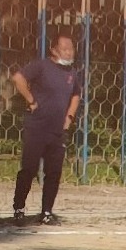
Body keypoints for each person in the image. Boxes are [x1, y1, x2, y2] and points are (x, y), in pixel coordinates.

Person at [11, 33, 81, 225]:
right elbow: (18, 78)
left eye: (71, 49)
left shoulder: (71, 73)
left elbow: (76, 94)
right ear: (54, 50)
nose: (69, 52)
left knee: (54, 172)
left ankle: (46, 212)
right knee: (29, 169)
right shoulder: (42, 66)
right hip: (37, 127)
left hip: (57, 131)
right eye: (65, 49)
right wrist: (31, 100)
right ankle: (19, 208)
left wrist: (69, 117)